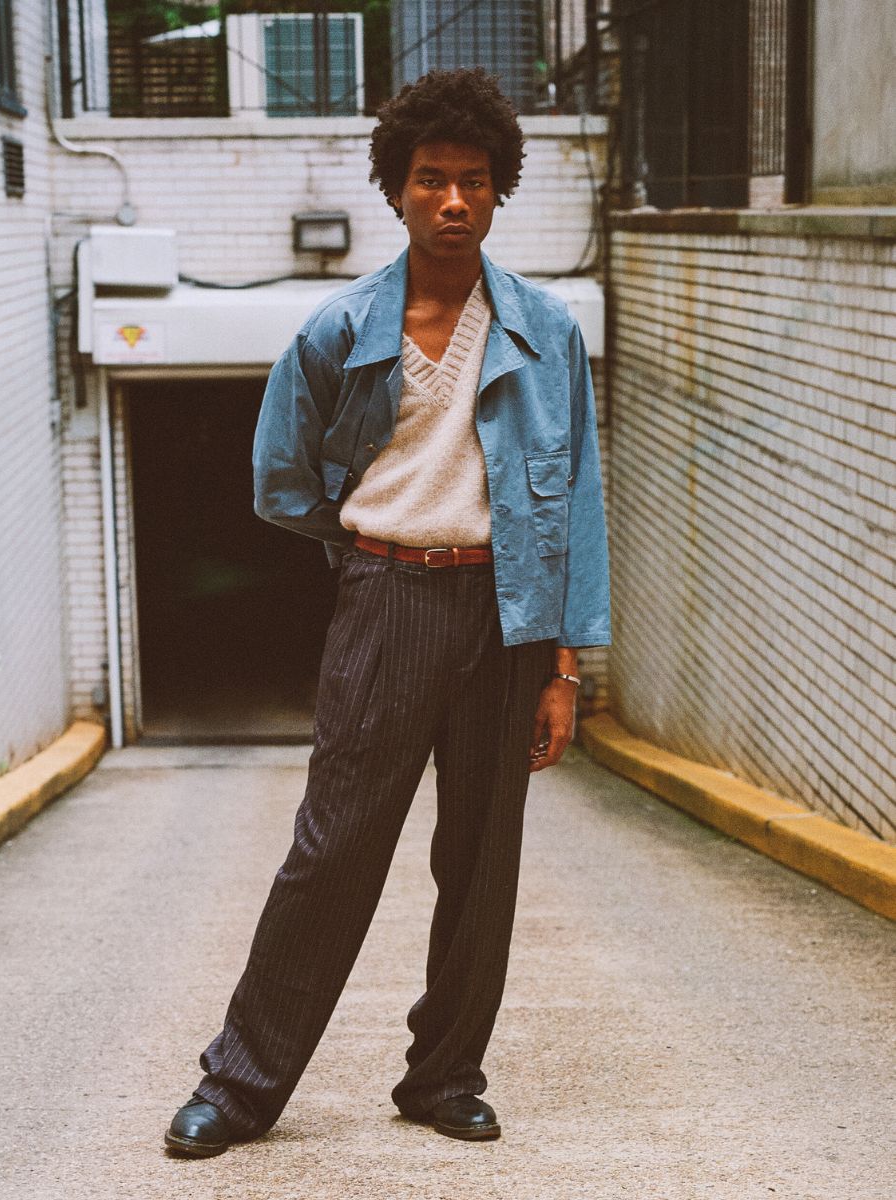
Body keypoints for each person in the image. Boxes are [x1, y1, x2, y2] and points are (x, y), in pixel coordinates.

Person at [164, 66, 610, 1158]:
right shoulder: (340, 329)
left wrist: (566, 664)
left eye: (472, 182)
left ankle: (445, 1074)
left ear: (498, 192)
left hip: (507, 617)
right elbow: (281, 480)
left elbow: (579, 502)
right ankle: (241, 1083)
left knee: (482, 856)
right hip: (389, 596)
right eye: (429, 181)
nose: (452, 201)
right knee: (334, 848)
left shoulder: (548, 332)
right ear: (396, 191)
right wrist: (368, 552)